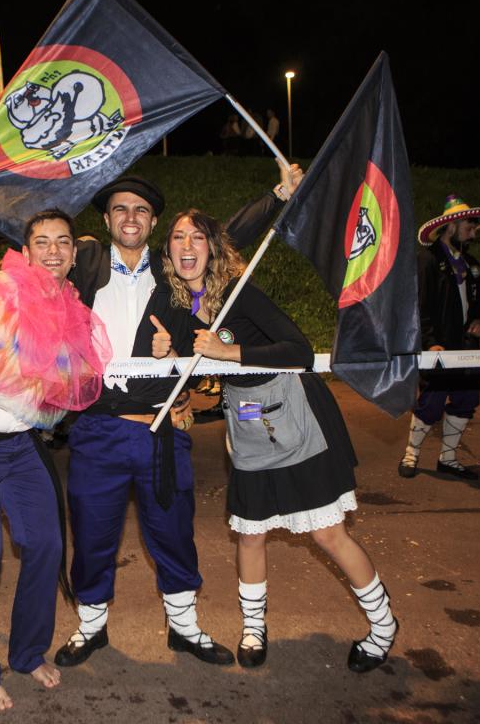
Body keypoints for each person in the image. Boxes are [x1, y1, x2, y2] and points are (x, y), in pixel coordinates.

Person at [50, 171, 293, 668]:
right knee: (92, 533)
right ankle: (91, 626)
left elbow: (220, 237)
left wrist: (277, 196)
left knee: (174, 531)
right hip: (97, 428)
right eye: (120, 209)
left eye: (141, 210)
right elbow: (40, 246)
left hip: (161, 427)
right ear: (106, 219)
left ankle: (184, 627)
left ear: (154, 222)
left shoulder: (171, 272)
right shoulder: (85, 261)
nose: (130, 217)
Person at [161, 209, 399, 673]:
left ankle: (384, 625)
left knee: (327, 533)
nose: (187, 245)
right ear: (168, 252)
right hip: (247, 420)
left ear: (212, 248)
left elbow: (299, 350)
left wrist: (227, 351)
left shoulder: (238, 291)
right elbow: (192, 370)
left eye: (197, 237)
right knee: (250, 533)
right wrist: (169, 358)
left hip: (296, 412)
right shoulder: (176, 308)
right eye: (177, 237)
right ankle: (254, 628)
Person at [0, 207, 110, 710]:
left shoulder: (67, 305)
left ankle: (26, 652)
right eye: (42, 242)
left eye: (63, 242)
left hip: (21, 447)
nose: (53, 251)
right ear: (25, 249)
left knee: (46, 544)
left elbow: (61, 386)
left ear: (74, 252)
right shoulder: (0, 295)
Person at [399, 195, 480, 481]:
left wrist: (479, 320)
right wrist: (429, 342)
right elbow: (420, 306)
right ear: (451, 226)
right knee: (431, 402)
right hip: (439, 346)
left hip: (468, 347)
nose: (473, 234)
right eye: (469, 228)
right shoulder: (428, 260)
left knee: (465, 399)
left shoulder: (471, 264)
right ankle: (411, 453)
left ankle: (448, 458)